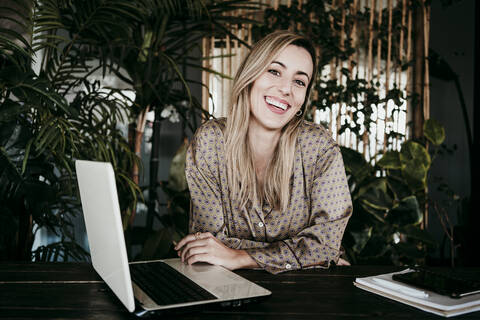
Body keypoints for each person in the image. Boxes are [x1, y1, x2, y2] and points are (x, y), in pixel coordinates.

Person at [174, 30, 353, 274]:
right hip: (227, 289)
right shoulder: (211, 141)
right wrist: (303, 255)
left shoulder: (319, 148)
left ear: (303, 98)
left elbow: (325, 246)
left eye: (299, 81)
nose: (286, 89)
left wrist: (239, 256)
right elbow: (208, 245)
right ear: (251, 76)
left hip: (306, 293)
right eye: (274, 71)